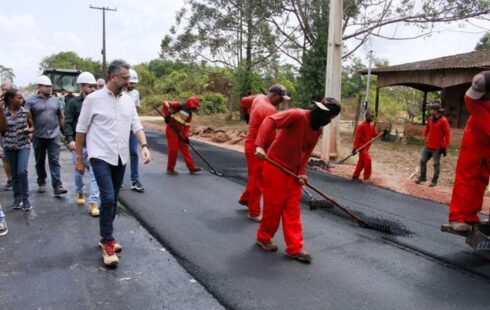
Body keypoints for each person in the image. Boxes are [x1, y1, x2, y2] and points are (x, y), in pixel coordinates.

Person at [75, 59, 151, 267]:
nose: (128, 82)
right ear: (113, 77)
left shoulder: (128, 100)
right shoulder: (93, 99)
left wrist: (144, 145)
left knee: (113, 198)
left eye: (129, 78)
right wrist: (80, 159)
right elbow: (81, 129)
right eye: (125, 78)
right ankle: (107, 241)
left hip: (120, 157)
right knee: (107, 198)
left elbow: (136, 124)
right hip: (100, 156)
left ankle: (108, 235)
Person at [254, 98, 341, 263]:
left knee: (292, 210)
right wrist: (259, 145)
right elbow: (270, 120)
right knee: (274, 207)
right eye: (319, 109)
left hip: (293, 172)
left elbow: (305, 152)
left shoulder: (317, 131)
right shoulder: (297, 115)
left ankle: (295, 248)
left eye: (326, 114)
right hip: (276, 166)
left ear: (330, 118)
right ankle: (263, 238)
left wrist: (302, 172)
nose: (320, 114)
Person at [238, 85, 289, 222]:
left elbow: (243, 101)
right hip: (257, 147)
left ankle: (245, 198)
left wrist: (246, 115)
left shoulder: (259, 97)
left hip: (251, 144)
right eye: (281, 99)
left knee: (255, 176)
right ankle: (254, 212)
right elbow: (270, 137)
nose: (282, 102)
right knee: (258, 180)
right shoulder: (269, 110)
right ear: (275, 96)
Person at [446, 71, 490, 232]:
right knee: (467, 177)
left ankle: (471, 216)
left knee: (482, 180)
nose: (478, 96)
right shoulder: (470, 98)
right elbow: (488, 125)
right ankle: (458, 216)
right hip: (475, 140)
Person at [64, 72, 100, 217]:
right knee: (79, 172)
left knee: (95, 173)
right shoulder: (73, 103)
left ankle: (93, 202)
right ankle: (80, 191)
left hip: (95, 145)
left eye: (94, 86)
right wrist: (70, 139)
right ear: (82, 86)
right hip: (79, 145)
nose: (92, 89)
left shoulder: (98, 102)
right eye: (90, 86)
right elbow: (67, 123)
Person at [25, 75, 68, 196]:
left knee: (54, 160)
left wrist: (65, 134)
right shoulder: (30, 101)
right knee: (40, 161)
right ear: (39, 87)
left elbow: (61, 117)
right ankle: (41, 182)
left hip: (54, 135)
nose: (50, 88)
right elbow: (27, 117)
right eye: (47, 86)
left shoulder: (56, 101)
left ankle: (57, 185)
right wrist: (30, 130)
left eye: (50, 86)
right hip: (38, 135)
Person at [0, 88, 34, 211]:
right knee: (14, 174)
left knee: (21, 171)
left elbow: (32, 126)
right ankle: (17, 199)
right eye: (19, 98)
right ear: (10, 99)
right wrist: (1, 112)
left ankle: (26, 199)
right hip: (9, 146)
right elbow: (3, 131)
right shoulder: (3, 112)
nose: (22, 100)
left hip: (23, 145)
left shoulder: (25, 112)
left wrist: (28, 130)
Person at [162, 96, 201, 175]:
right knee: (174, 149)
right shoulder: (178, 105)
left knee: (185, 148)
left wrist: (185, 137)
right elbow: (164, 103)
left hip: (181, 132)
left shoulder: (189, 114)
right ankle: (170, 169)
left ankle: (191, 167)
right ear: (190, 104)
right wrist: (167, 116)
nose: (193, 109)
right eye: (193, 106)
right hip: (171, 130)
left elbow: (187, 126)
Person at [415, 103, 451, 187]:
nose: (430, 111)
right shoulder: (430, 119)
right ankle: (422, 177)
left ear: (436, 111)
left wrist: (445, 145)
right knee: (423, 161)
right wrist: (424, 135)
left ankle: (434, 181)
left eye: (432, 109)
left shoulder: (443, 121)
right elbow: (427, 128)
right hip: (428, 146)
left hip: (438, 147)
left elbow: (447, 134)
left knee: (436, 164)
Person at [351, 110, 386, 182]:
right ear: (366, 116)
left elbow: (374, 134)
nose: (372, 118)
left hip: (367, 147)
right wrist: (355, 148)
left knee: (362, 162)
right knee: (368, 160)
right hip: (361, 147)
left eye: (373, 117)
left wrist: (382, 133)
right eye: (370, 117)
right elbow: (357, 137)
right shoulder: (361, 126)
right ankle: (366, 178)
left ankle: (355, 176)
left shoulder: (372, 126)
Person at [125, 69, 144, 192]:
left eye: (134, 84)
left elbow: (136, 111)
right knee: (117, 153)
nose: (133, 86)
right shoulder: (119, 92)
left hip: (132, 128)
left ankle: (135, 180)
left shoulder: (135, 93)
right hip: (120, 128)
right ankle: (117, 178)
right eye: (131, 83)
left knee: (133, 152)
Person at [0, 82, 13, 190]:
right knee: (5, 158)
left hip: (14, 133)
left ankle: (17, 178)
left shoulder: (16, 102)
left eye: (7, 89)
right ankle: (10, 179)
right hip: (2, 134)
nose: (5, 91)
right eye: (3, 89)